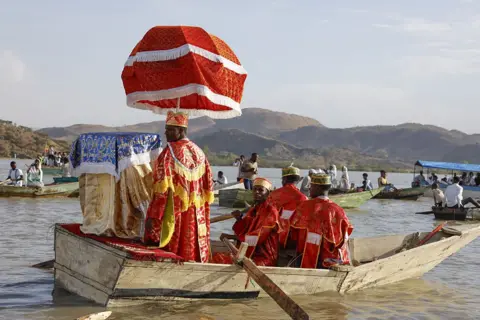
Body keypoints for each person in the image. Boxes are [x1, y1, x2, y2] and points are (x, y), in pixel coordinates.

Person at [143, 111, 214, 263]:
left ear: (181, 130)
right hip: (196, 211)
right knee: (192, 243)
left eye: (170, 129)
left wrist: (154, 218)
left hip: (175, 210)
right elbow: (208, 187)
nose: (166, 133)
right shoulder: (200, 153)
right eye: (166, 128)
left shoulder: (169, 152)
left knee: (173, 246)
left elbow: (161, 191)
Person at [290, 173, 353, 269]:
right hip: (329, 260)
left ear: (318, 187)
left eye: (311, 186)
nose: (309, 188)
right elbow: (345, 235)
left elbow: (293, 232)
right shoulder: (338, 210)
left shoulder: (304, 206)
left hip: (304, 257)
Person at [212, 178, 280, 266]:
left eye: (260, 190)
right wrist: (239, 218)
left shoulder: (271, 212)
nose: (257, 192)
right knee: (217, 257)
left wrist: (231, 237)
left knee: (221, 260)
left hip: (264, 256)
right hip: (250, 252)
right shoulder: (254, 209)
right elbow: (244, 229)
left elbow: (258, 238)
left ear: (268, 193)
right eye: (255, 189)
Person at [268, 166, 308, 248]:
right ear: (297, 180)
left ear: (285, 179)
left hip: (272, 235)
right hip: (292, 239)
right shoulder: (303, 198)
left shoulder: (273, 194)